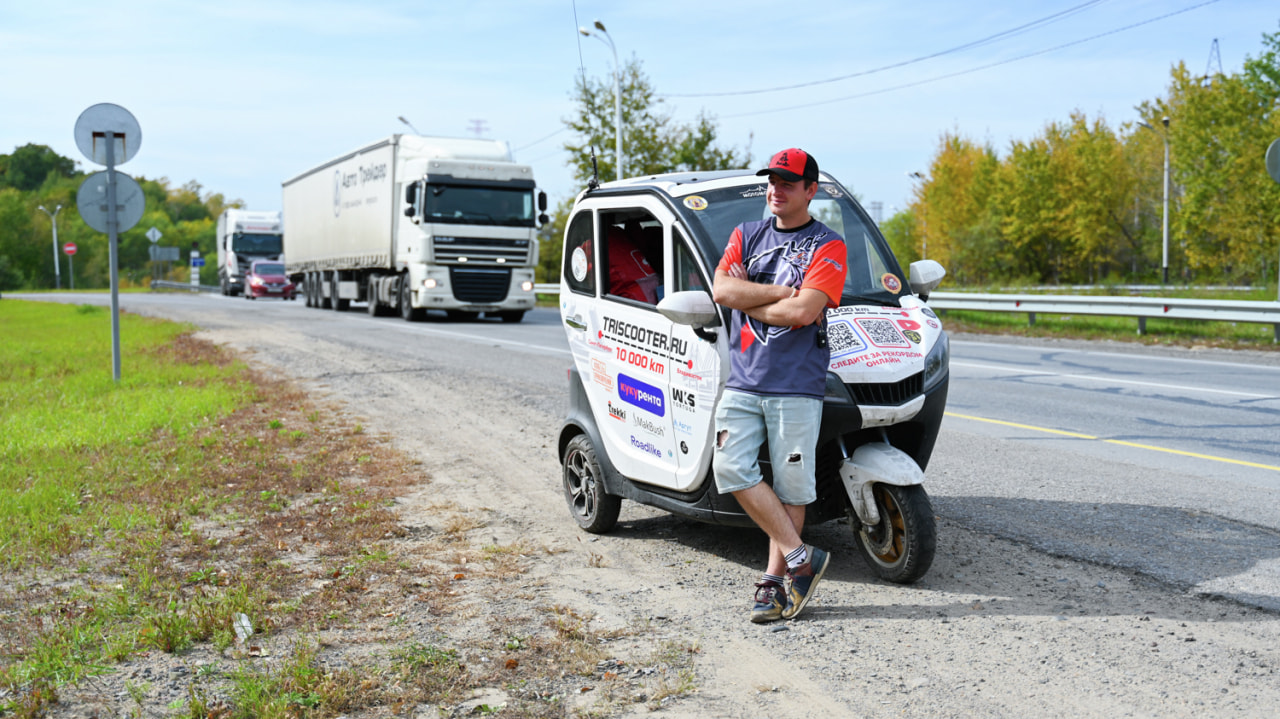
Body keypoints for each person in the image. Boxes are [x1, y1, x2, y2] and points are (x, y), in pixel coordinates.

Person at [711, 148, 847, 623]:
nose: (776, 189)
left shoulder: (829, 245)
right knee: (730, 468)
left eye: (788, 182)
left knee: (792, 490)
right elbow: (723, 290)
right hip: (744, 381)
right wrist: (783, 292)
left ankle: (772, 586)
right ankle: (801, 559)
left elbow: (804, 313)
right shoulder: (746, 235)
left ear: (811, 190)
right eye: (772, 181)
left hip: (796, 387)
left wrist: (753, 299)